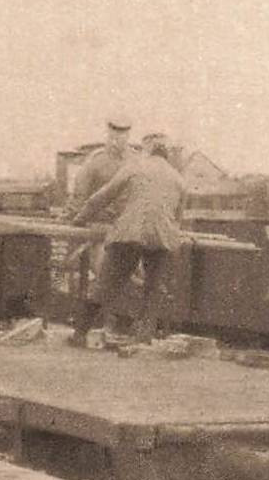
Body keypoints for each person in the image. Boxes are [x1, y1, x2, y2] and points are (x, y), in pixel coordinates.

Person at [67, 133, 187, 345]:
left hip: (130, 233)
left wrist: (78, 219)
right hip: (162, 238)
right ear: (166, 154)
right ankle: (144, 340)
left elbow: (102, 197)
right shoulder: (179, 179)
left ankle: (79, 335)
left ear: (146, 150)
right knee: (153, 289)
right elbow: (178, 218)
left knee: (105, 285)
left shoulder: (135, 167)